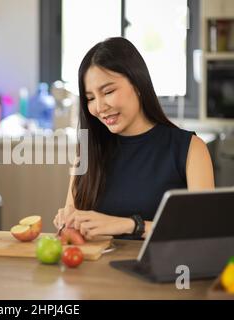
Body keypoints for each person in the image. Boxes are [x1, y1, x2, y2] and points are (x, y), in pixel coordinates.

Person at [53, 37, 214, 240]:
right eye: (91, 98)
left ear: (138, 84)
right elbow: (71, 228)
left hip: (163, 270)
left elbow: (205, 233)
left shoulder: (191, 149)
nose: (100, 107)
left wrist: (132, 225)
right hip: (93, 271)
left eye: (108, 91)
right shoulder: (88, 152)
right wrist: (67, 222)